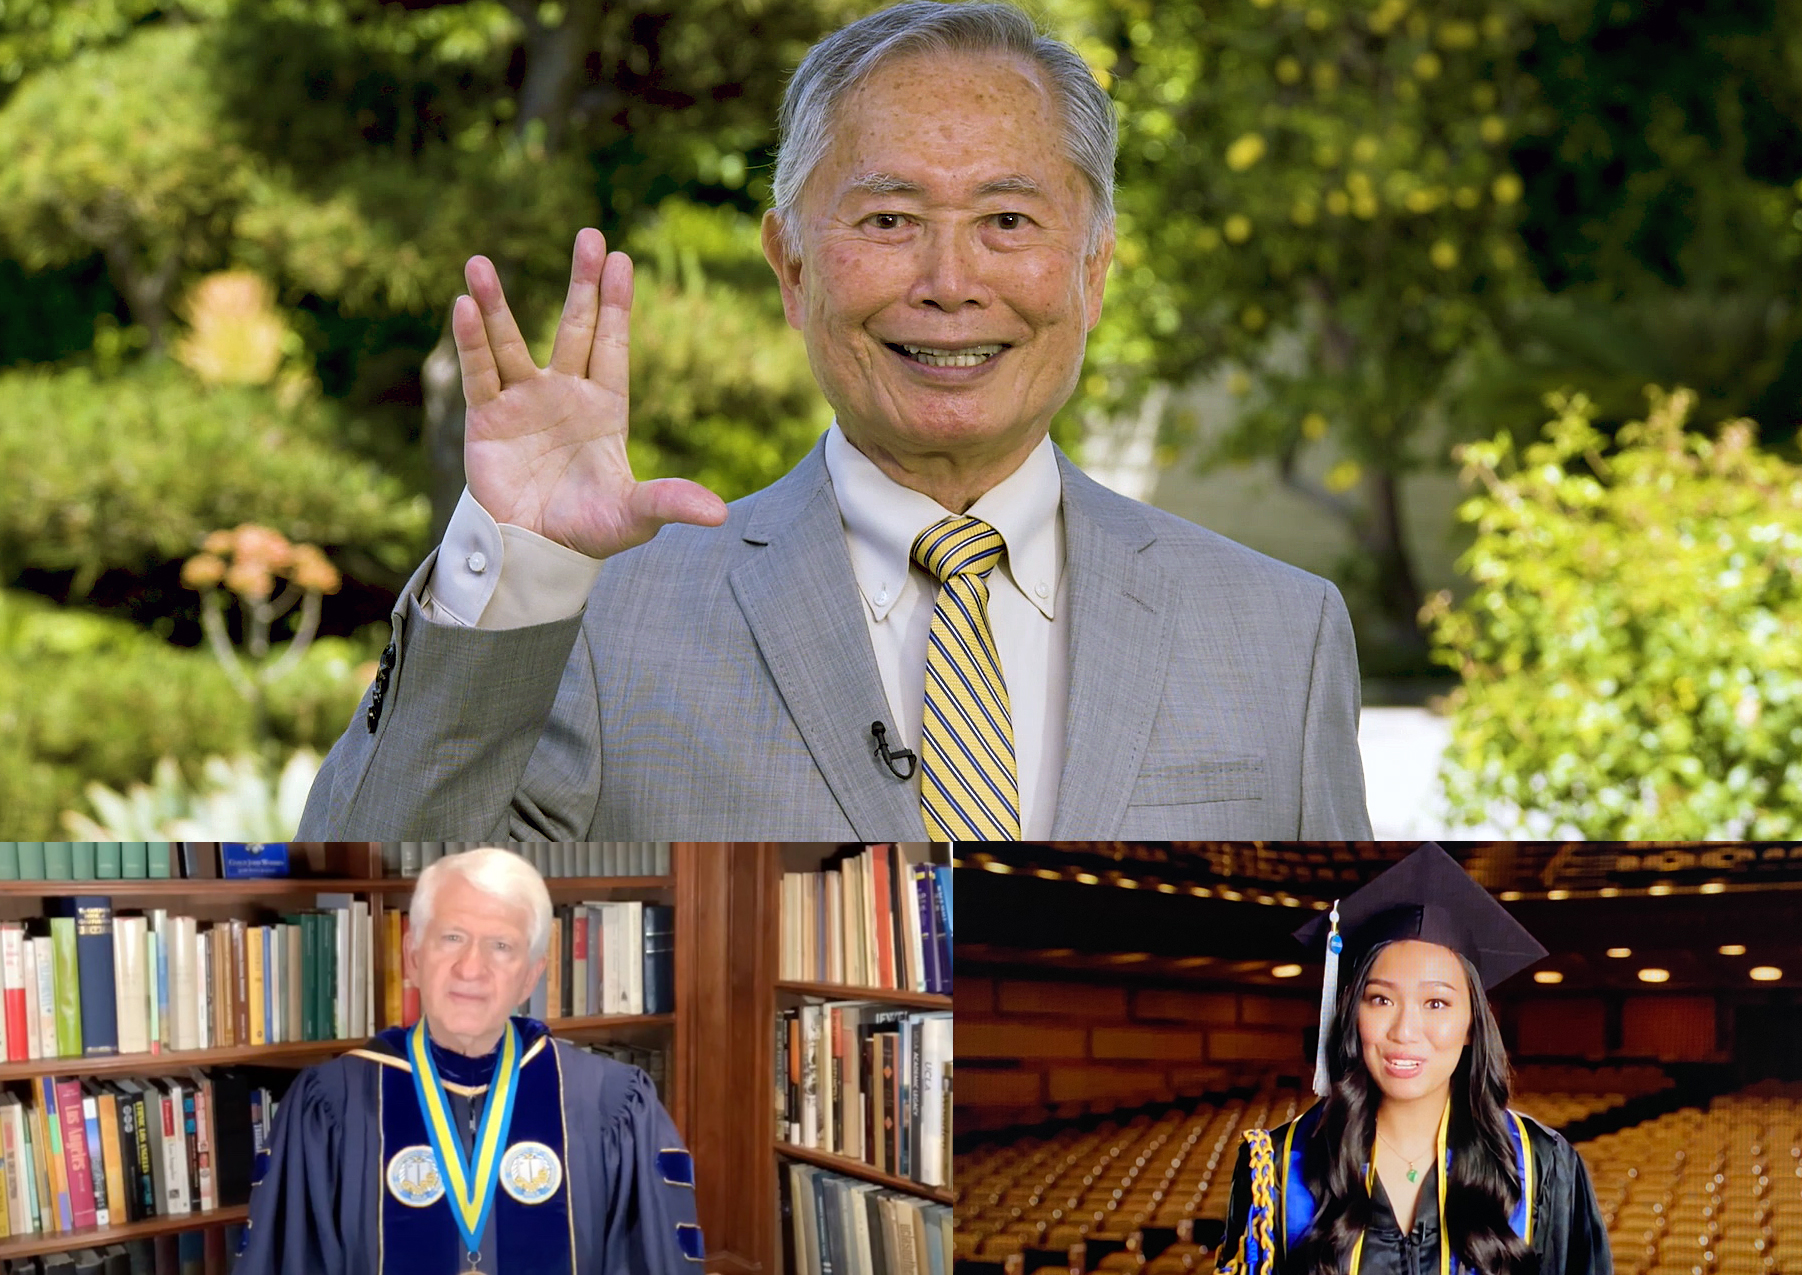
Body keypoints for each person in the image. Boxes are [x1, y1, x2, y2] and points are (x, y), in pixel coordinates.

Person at [296, 0, 1370, 841]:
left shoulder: (1282, 633)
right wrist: (519, 564)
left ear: (1092, 272)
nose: (950, 283)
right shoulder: (599, 621)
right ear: (790, 266)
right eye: (889, 220)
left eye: (1006, 220)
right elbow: (375, 896)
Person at [235, 848, 702, 1275]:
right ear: (413, 957)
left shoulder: (611, 1104)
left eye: (501, 946)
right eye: (452, 938)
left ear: (530, 976)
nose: (471, 969)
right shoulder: (333, 1103)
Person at [1217, 845, 1612, 1275]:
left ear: (1472, 1026)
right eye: (1381, 999)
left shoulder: (1541, 1165)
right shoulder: (1277, 1167)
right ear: (1352, 1015)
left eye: (1437, 1003)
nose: (1404, 1031)